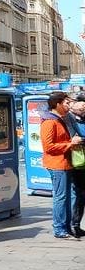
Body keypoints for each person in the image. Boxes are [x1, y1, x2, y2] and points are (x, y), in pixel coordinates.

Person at [41, 91, 82, 239]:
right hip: (57, 164)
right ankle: (59, 229)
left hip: (65, 163)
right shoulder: (49, 122)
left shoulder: (60, 119)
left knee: (67, 196)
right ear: (57, 104)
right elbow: (49, 147)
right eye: (66, 103)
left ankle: (66, 227)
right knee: (61, 197)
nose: (68, 105)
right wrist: (70, 143)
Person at [67, 94, 85, 237]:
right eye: (82, 103)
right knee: (78, 195)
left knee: (81, 196)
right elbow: (74, 138)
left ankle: (76, 225)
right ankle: (74, 225)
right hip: (77, 162)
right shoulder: (69, 119)